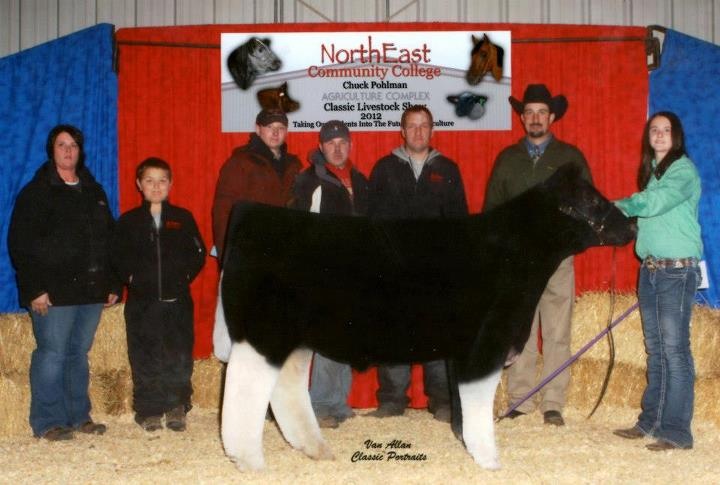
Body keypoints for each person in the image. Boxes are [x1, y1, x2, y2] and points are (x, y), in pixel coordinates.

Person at [484, 84, 592, 426]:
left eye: (541, 112)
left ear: (552, 117)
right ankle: (521, 399)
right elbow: (493, 210)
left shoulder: (571, 158)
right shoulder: (507, 159)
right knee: (522, 330)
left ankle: (553, 402)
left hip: (556, 260)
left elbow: (587, 206)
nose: (535, 118)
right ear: (521, 118)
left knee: (557, 330)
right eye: (529, 112)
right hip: (517, 261)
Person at [8, 124, 119, 441]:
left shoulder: (94, 192)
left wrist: (113, 283)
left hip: (91, 291)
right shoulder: (36, 193)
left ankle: (78, 416)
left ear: (80, 151)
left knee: (78, 354)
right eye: (62, 145)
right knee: (52, 354)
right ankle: (48, 421)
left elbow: (110, 240)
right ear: (52, 150)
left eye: (73, 145)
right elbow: (21, 244)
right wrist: (35, 289)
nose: (69, 150)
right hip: (53, 292)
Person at [368, 105, 468, 422]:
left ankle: (442, 400)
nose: (418, 131)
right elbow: (372, 222)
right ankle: (392, 400)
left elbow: (459, 223)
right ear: (402, 131)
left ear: (433, 130)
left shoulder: (448, 169)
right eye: (412, 126)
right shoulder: (384, 168)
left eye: (424, 125)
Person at [612, 112, 702, 451]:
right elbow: (653, 211)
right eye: (655, 130)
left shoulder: (683, 171)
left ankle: (677, 432)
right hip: (651, 270)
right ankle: (651, 422)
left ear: (676, 137)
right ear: (648, 137)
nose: (660, 135)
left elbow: (656, 202)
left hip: (675, 271)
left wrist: (617, 207)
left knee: (674, 351)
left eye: (667, 130)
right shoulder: (654, 175)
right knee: (657, 350)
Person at [113, 158, 206, 432]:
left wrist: (183, 277)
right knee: (145, 354)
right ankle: (149, 409)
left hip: (177, 301)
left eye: (162, 180)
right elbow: (116, 256)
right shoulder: (128, 221)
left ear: (171, 184)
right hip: (143, 303)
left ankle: (177, 405)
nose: (156, 186)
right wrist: (131, 278)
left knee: (178, 354)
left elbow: (199, 253)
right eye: (149, 181)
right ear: (139, 184)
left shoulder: (182, 218)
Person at [290, 120, 369, 429]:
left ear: (350, 145)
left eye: (342, 142)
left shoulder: (360, 180)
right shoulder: (309, 180)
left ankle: (338, 403)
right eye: (331, 143)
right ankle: (321, 404)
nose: (337, 148)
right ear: (321, 146)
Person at [211, 109, 302, 361]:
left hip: (281, 259)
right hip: (247, 257)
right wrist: (228, 257)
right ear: (258, 128)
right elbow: (223, 211)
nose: (275, 132)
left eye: (281, 127)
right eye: (270, 127)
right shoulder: (240, 162)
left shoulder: (294, 166)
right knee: (241, 330)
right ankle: (238, 380)